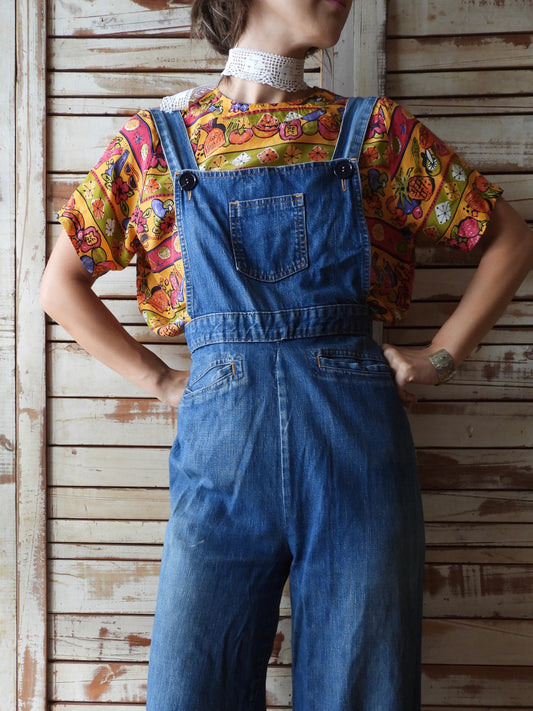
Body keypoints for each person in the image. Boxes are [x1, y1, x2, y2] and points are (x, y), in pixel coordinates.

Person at [40, 0, 533, 708]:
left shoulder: (375, 134)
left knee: (361, 690)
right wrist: (157, 381)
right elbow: (60, 285)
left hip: (355, 447)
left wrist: (440, 357)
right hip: (221, 449)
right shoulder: (157, 143)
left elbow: (509, 240)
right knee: (191, 688)